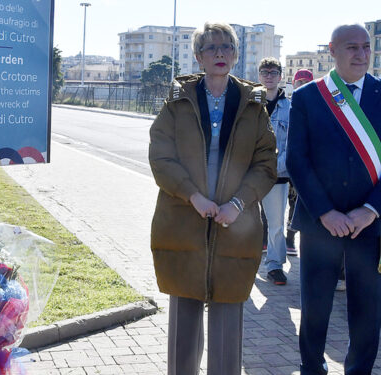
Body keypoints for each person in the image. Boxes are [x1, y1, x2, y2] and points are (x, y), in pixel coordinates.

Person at [149, 21, 276, 375]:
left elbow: (266, 164)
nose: (220, 53)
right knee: (184, 317)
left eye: (226, 47)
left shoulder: (253, 102)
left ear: (235, 55)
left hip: (237, 224)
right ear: (198, 56)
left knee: (228, 314)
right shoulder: (178, 100)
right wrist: (193, 197)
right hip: (184, 219)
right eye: (211, 48)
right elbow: (161, 156)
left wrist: (237, 204)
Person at [286, 24, 381, 374]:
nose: (361, 54)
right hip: (319, 222)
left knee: (367, 308)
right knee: (315, 306)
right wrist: (326, 212)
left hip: (369, 224)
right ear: (332, 50)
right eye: (352, 47)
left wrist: (369, 211)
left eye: (366, 47)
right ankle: (312, 367)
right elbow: (297, 158)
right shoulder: (309, 96)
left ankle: (359, 370)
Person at [258, 57, 292, 285]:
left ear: (280, 76)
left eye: (273, 71)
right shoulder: (250, 103)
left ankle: (275, 265)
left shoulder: (290, 107)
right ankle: (241, 261)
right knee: (242, 222)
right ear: (259, 75)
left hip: (278, 174)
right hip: (249, 173)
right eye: (264, 71)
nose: (269, 75)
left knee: (276, 224)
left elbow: (293, 142)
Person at [284, 69, 313, 255]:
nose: (302, 85)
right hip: (281, 164)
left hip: (303, 167)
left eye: (306, 82)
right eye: (299, 81)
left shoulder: (317, 107)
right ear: (293, 84)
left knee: (296, 204)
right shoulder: (285, 105)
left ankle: (290, 238)